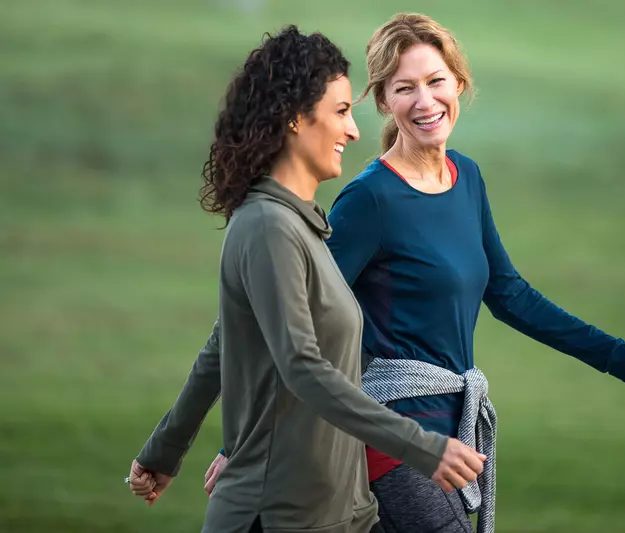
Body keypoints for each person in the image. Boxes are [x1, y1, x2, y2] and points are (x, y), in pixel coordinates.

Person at [204, 13, 625, 533]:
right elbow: (284, 315)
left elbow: (510, 294)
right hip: (388, 441)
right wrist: (243, 447)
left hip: (451, 434)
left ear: (459, 82)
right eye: (404, 88)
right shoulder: (369, 200)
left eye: (435, 81)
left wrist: (621, 359)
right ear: (384, 100)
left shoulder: (468, 178)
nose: (425, 101)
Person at [126, 25, 486, 533]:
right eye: (341, 112)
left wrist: (165, 449)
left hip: (335, 511)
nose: (355, 130)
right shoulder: (270, 227)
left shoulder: (301, 225)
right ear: (296, 119)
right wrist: (422, 446)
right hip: (277, 513)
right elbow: (302, 366)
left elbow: (226, 341)